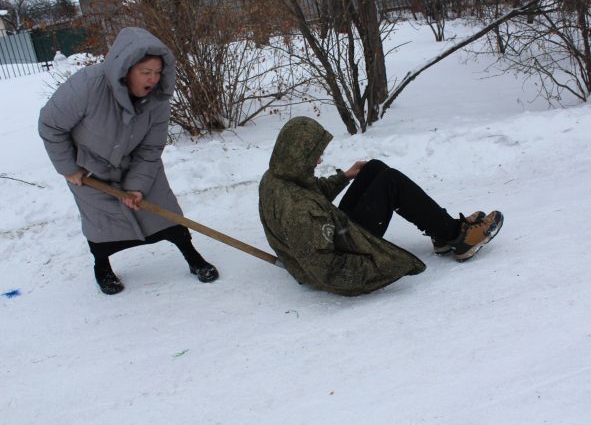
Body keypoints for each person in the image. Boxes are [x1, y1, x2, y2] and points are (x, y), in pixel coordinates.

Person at [38, 27, 218, 295]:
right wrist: (68, 168)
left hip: (138, 165)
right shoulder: (86, 86)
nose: (153, 79)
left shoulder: (158, 99)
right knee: (101, 226)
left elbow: (151, 147)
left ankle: (192, 256)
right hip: (90, 172)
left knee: (166, 215)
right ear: (126, 69)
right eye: (146, 72)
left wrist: (137, 186)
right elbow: (50, 125)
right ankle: (102, 267)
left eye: (158, 72)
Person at [258, 116, 503, 296]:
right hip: (345, 246)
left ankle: (441, 232)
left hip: (332, 230)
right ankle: (457, 237)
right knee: (390, 181)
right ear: (300, 156)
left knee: (373, 168)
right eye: (315, 155)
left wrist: (345, 176)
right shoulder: (300, 212)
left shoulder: (278, 176)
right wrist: (381, 265)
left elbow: (311, 193)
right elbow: (326, 270)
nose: (320, 160)